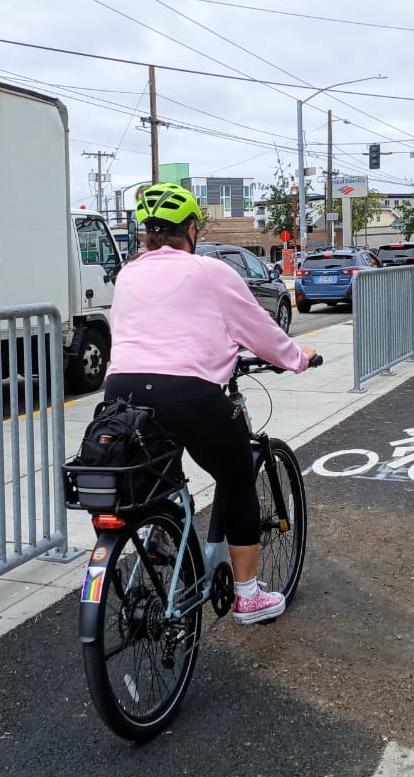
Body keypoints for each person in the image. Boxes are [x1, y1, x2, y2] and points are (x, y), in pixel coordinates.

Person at [103, 182, 318, 624]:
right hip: (187, 394)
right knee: (237, 475)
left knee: (158, 473)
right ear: (190, 229)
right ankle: (247, 595)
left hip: (121, 392)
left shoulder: (128, 273)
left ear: (148, 234)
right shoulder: (208, 271)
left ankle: (157, 528)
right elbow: (260, 331)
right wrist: (298, 358)